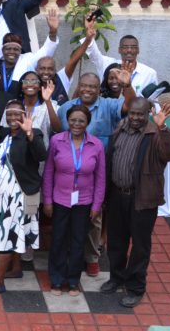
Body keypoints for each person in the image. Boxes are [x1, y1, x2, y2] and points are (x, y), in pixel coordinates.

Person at [100, 99, 170, 308]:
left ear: (148, 114)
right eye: (132, 114)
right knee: (116, 241)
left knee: (140, 245)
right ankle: (117, 277)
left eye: (140, 114)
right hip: (117, 195)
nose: (135, 118)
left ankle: (136, 287)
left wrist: (163, 128)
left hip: (142, 199)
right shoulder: (120, 129)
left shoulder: (155, 134)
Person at [58, 69, 137, 276]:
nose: (88, 90)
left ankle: (92, 258)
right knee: (69, 215)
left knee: (94, 215)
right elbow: (58, 138)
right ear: (78, 87)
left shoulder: (108, 105)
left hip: (96, 173)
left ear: (98, 89)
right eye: (84, 85)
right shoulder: (65, 108)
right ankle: (70, 254)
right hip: (69, 173)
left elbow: (131, 105)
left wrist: (127, 86)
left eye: (92, 86)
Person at [0, 100, 47, 296]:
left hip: (19, 194)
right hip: (1, 193)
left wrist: (29, 133)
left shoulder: (34, 133)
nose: (13, 118)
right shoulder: (5, 134)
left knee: (6, 235)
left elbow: (41, 155)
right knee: (13, 232)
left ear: (24, 115)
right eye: (9, 114)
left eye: (17, 114)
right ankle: (16, 269)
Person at [43, 105, 106, 296]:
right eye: (73, 120)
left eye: (81, 121)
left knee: (79, 241)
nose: (76, 124)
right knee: (58, 239)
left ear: (87, 123)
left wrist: (96, 205)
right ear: (67, 121)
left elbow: (100, 178)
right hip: (59, 199)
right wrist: (47, 200)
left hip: (84, 202)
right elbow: (48, 172)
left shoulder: (96, 145)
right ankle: (56, 279)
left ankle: (72, 281)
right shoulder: (57, 141)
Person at [1, 71, 61, 148]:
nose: (30, 84)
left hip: (39, 151)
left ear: (40, 87)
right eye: (26, 81)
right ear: (21, 86)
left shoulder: (49, 105)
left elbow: (57, 129)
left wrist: (47, 101)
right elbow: (5, 128)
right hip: (14, 150)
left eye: (34, 81)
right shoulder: (12, 104)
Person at [86, 34, 158, 95]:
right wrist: (89, 37)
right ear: (119, 50)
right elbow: (93, 52)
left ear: (138, 50)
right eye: (125, 47)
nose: (129, 50)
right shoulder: (108, 64)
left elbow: (153, 99)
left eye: (133, 47)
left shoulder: (150, 73)